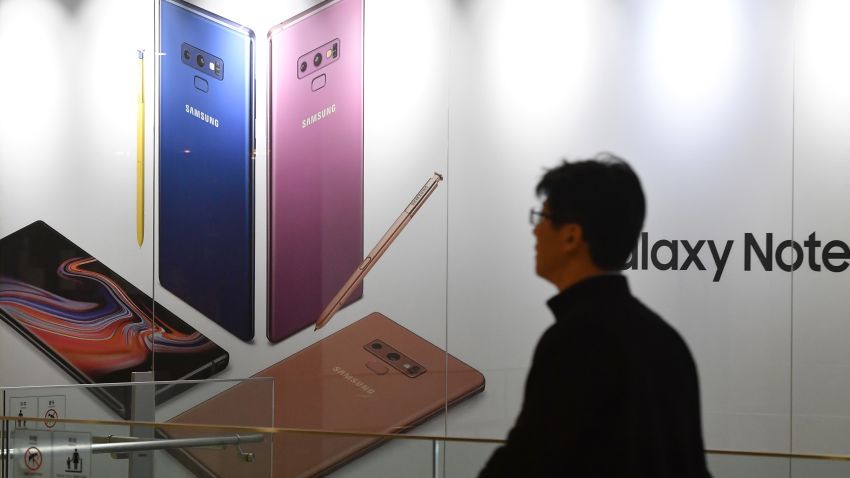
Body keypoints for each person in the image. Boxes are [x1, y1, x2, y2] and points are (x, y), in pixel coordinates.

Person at [479, 154, 711, 477]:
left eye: (542, 218)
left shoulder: (576, 340)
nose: (535, 232)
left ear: (571, 237)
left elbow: (528, 462)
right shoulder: (668, 341)